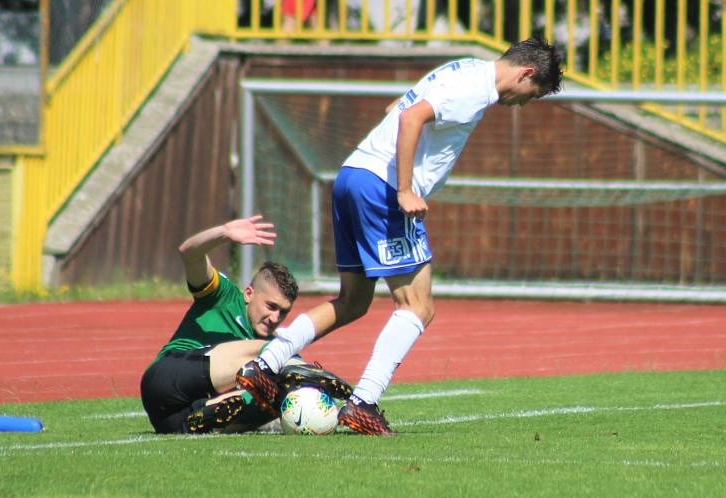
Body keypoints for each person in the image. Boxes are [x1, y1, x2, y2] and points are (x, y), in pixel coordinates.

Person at [237, 38, 564, 435]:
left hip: (353, 176)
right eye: (532, 94)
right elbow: (410, 118)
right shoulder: (476, 89)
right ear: (526, 73)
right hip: (383, 189)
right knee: (418, 305)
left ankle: (264, 364)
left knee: (353, 301)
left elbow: (395, 108)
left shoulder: (464, 68)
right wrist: (406, 189)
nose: (523, 103)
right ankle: (364, 403)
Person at [140, 215, 352, 434]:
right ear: (249, 294)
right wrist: (223, 232)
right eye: (270, 306)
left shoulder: (269, 339)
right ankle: (299, 368)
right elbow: (189, 253)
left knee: (273, 393)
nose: (275, 318)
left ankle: (211, 416)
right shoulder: (223, 295)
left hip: (174, 421)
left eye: (283, 312)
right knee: (273, 355)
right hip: (165, 380)